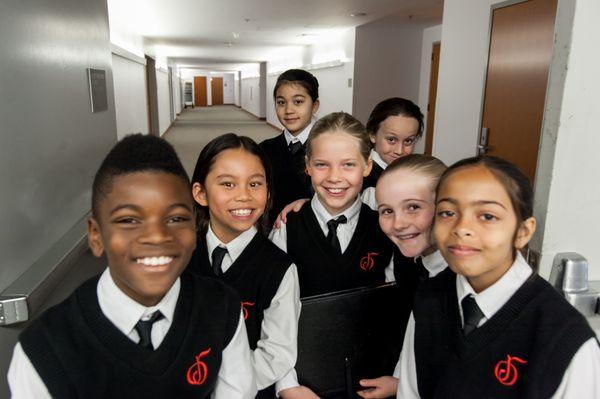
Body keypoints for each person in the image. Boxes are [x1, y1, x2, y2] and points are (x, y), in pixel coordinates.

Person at [7, 134, 256, 399]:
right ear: (96, 236)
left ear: (193, 228)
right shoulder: (44, 349)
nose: (158, 236)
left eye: (175, 218)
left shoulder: (222, 308)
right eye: (129, 220)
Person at [397, 156, 600, 398]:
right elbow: (410, 392)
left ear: (523, 232)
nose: (462, 227)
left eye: (487, 216)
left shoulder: (565, 340)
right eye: (448, 212)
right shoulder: (429, 299)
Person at [187, 133, 303, 399]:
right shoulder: (179, 257)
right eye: (228, 184)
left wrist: (227, 388)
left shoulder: (279, 269)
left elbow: (277, 352)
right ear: (201, 193)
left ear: (268, 191)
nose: (244, 196)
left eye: (255, 184)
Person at [356, 154, 447, 399]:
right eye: (387, 210)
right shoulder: (410, 263)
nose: (398, 223)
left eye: (413, 207)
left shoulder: (461, 283)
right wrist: (401, 380)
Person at [260, 69, 320, 226]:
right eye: (281, 102)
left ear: (314, 105)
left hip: (316, 230)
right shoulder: (265, 149)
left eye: (298, 102)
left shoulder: (327, 148)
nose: (288, 110)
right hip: (273, 231)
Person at [362, 97, 424, 209]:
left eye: (408, 141)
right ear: (372, 134)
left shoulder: (410, 174)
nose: (399, 151)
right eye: (391, 139)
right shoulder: (372, 187)